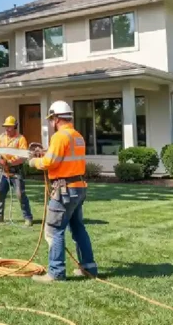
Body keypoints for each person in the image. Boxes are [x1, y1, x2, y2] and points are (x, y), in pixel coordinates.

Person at [28, 100, 98, 283]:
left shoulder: (59, 137)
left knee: (54, 230)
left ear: (56, 118)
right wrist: (46, 152)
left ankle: (56, 272)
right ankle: (88, 267)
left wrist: (34, 162)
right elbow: (62, 157)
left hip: (64, 190)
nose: (51, 123)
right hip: (78, 188)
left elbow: (50, 162)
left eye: (51, 120)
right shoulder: (77, 136)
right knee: (78, 228)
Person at [0, 115, 33, 227]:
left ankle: (28, 218)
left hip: (15, 171)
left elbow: (23, 157)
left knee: (20, 195)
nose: (7, 129)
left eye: (9, 127)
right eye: (6, 127)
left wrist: (9, 163)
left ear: (15, 127)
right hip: (3, 172)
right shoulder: (1, 137)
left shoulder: (20, 139)